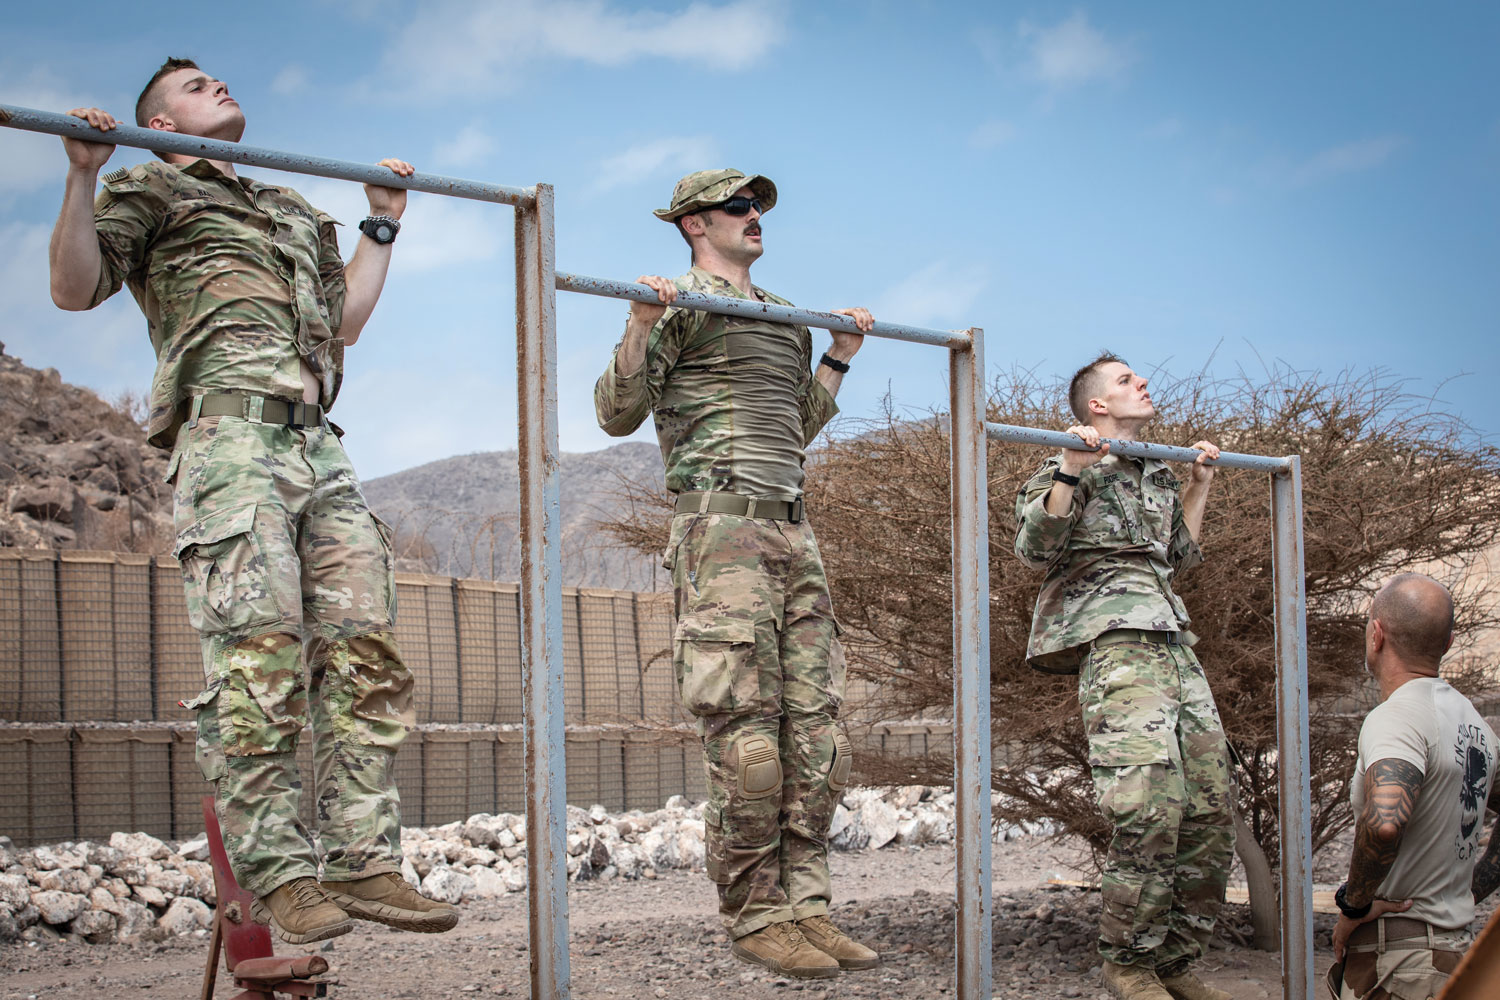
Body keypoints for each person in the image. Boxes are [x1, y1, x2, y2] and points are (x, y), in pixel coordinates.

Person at [48, 58, 456, 944]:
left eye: (217, 79)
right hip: (230, 443)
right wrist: (82, 175)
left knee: (366, 653)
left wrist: (381, 228)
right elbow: (74, 289)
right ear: (159, 119)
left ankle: (363, 861)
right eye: (195, 86)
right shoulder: (150, 187)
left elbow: (343, 321)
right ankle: (278, 871)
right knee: (260, 659)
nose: (218, 86)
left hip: (319, 445)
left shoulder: (290, 212)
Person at [594, 168, 878, 980]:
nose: (756, 218)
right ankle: (756, 913)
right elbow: (615, 413)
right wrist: (642, 323)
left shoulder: (786, 317)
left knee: (817, 735)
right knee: (748, 740)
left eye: (759, 207)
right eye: (738, 208)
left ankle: (808, 908)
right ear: (694, 224)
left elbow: (798, 426)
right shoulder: (680, 301)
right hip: (721, 532)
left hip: (795, 533)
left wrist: (838, 359)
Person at [1013, 353, 1233, 1000]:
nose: (1142, 382)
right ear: (1098, 406)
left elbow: (1177, 557)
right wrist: (1071, 470)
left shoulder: (1156, 474)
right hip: (1115, 639)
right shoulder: (1067, 460)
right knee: (1146, 802)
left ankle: (1175, 960)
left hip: (1171, 635)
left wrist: (1197, 485)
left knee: (1209, 803)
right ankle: (1129, 961)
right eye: (1125, 379)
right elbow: (1035, 547)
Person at [1329, 573, 1498, 1000]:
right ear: (1448, 643)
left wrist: (1355, 904)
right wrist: (1465, 893)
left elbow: (1385, 821)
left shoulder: (1396, 717)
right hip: (1455, 955)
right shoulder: (1475, 727)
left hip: (1400, 964)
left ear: (1376, 634)